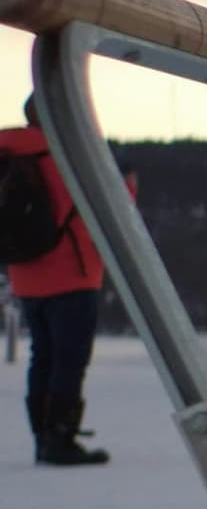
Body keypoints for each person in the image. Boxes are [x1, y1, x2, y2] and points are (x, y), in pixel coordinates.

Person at [1, 96, 135, 466]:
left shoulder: (9, 152)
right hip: (73, 273)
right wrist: (125, 173)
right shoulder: (70, 153)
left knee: (42, 356)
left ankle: (42, 436)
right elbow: (119, 205)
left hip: (25, 274)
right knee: (69, 359)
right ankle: (59, 438)